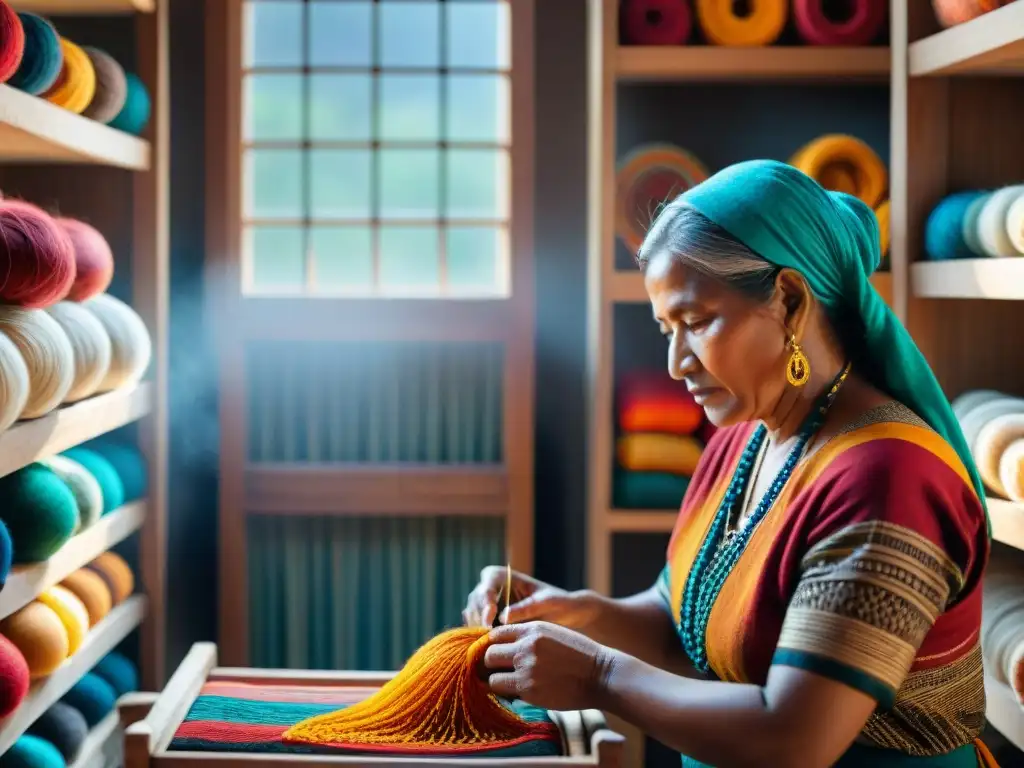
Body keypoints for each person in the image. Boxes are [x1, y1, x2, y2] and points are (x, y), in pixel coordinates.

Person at [463, 160, 995, 768]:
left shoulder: (888, 479)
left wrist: (597, 677)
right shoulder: (745, 436)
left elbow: (794, 739)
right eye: (667, 328)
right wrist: (563, 614)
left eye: (696, 323)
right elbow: (682, 625)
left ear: (790, 301)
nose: (675, 362)